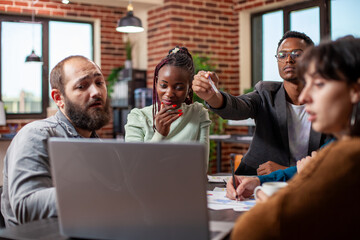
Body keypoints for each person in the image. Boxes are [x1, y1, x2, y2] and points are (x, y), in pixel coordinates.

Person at [231, 37, 360, 239]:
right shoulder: (338, 145)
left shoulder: (348, 155)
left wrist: (276, 208)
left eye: (318, 83)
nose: (305, 96)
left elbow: (248, 232)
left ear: (355, 90)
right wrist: (258, 181)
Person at [193, 31, 328, 175]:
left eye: (297, 54)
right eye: (282, 55)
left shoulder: (327, 102)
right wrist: (212, 96)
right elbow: (238, 106)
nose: (288, 60)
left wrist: (287, 171)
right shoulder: (266, 93)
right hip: (257, 180)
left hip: (309, 182)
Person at [1, 56, 111, 226]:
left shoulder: (102, 148)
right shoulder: (36, 135)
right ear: (58, 98)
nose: (96, 92)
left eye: (99, 82)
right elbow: (26, 207)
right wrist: (104, 193)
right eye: (82, 86)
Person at [125, 46, 211, 169]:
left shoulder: (198, 113)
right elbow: (133, 167)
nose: (169, 93)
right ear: (156, 83)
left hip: (184, 186)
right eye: (163, 85)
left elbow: (201, 167)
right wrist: (159, 134)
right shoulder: (138, 117)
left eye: (179, 87)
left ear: (189, 88)